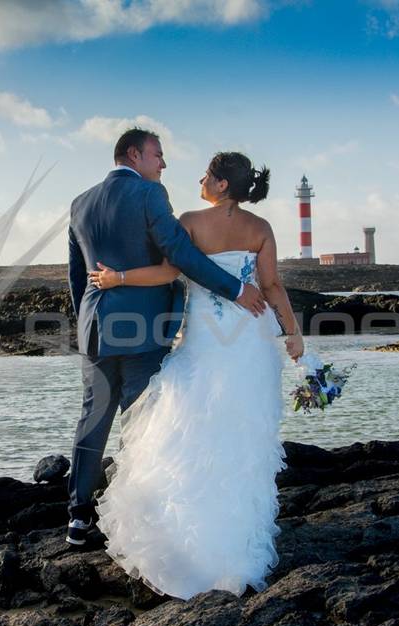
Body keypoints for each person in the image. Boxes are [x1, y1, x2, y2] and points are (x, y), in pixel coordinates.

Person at [86, 151, 303, 599]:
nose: (200, 179)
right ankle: (232, 545)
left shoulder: (188, 221)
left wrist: (119, 278)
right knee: (241, 436)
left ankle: (187, 541)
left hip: (207, 338)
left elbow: (169, 271)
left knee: (192, 428)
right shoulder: (260, 229)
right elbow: (272, 286)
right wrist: (294, 334)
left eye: (207, 174)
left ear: (222, 184)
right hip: (250, 340)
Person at [66, 130, 268, 548]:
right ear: (135, 154)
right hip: (144, 329)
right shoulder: (149, 196)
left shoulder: (80, 202)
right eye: (158, 155)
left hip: (96, 328)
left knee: (93, 419)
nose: (163, 164)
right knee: (140, 420)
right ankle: (130, 516)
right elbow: (181, 255)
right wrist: (234, 289)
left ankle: (79, 518)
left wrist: (86, 319)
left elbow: (75, 275)